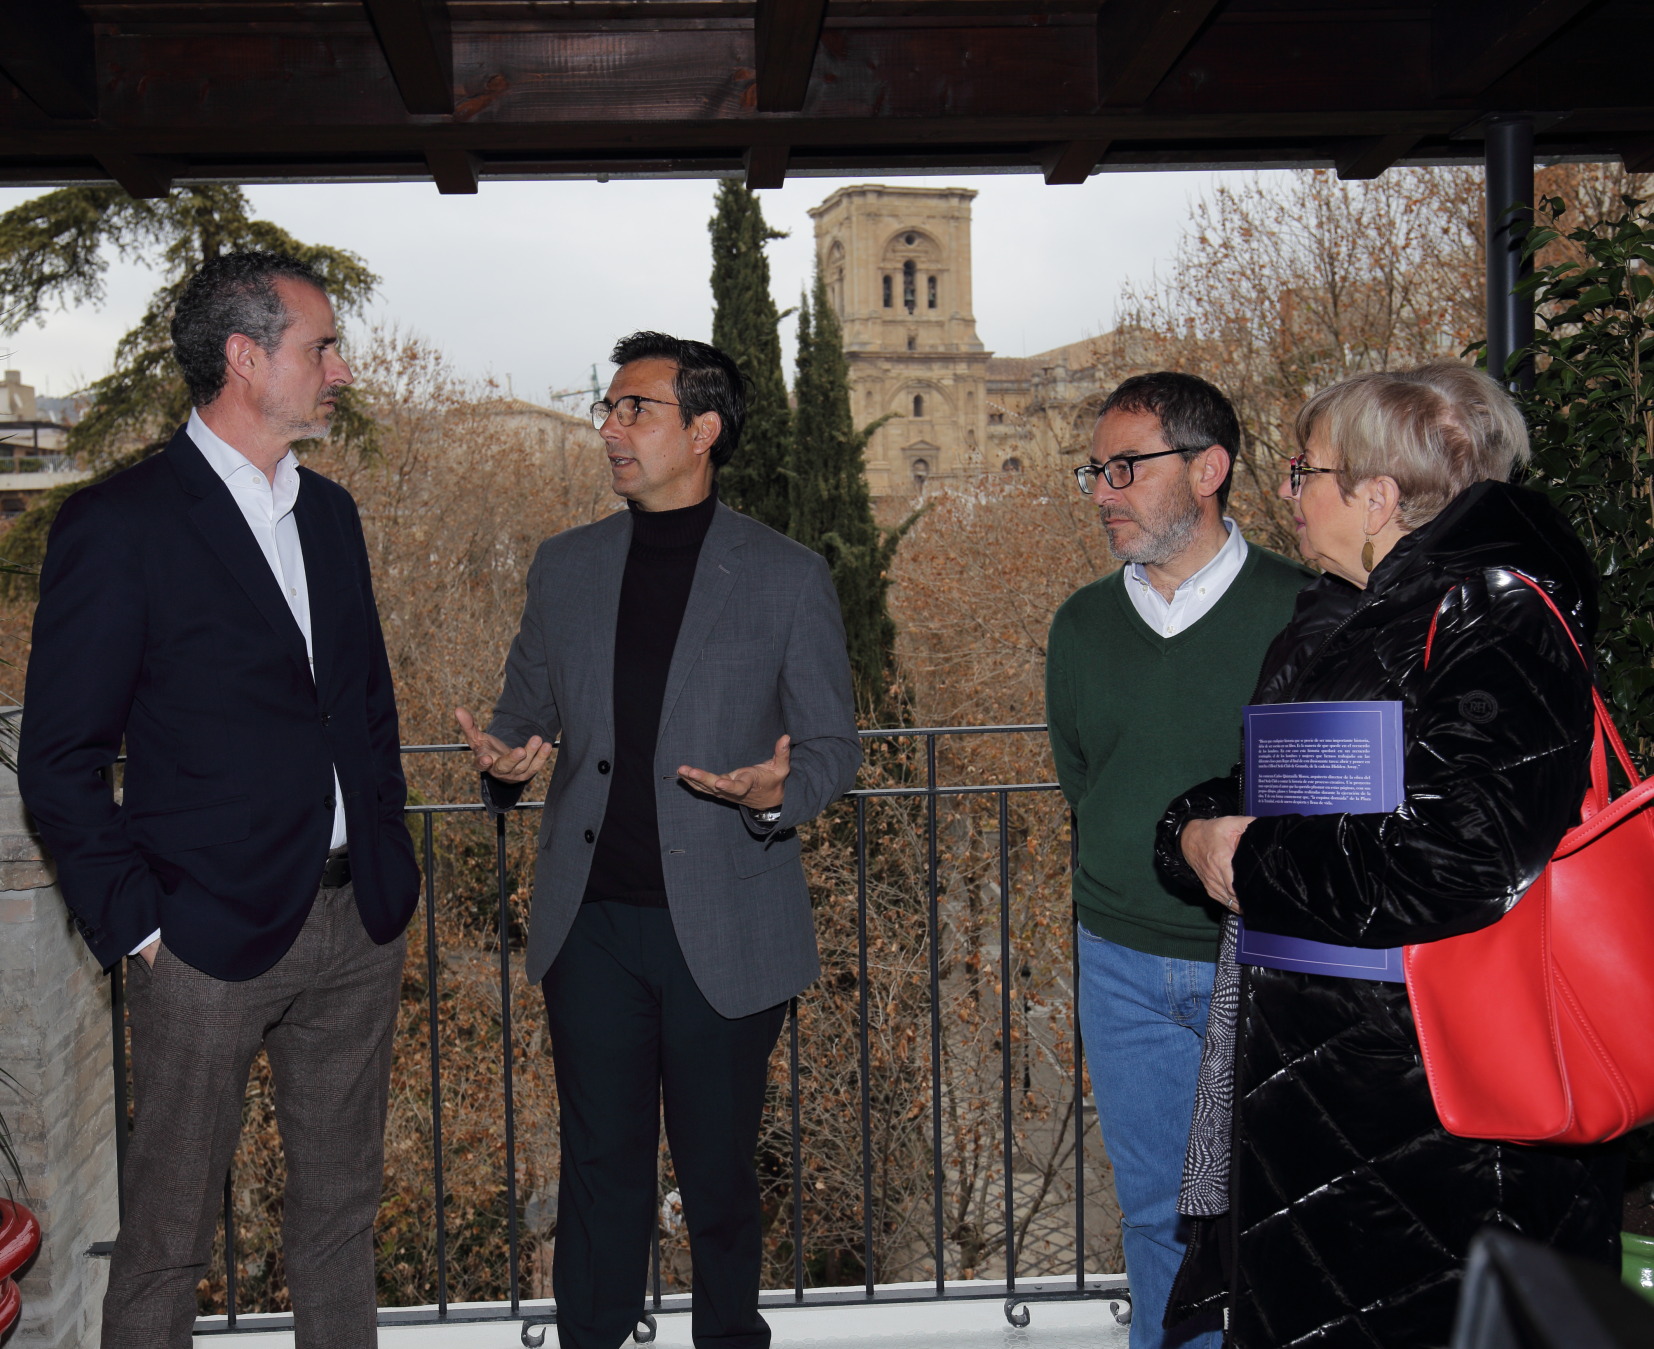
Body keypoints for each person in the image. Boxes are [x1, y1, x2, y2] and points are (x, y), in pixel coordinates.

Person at [1159, 362, 1621, 1347]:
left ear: (1375, 497)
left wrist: (1254, 862)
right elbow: (1279, 795)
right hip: (1334, 1094)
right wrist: (1190, 834)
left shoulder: (1494, 614)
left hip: (1438, 1113)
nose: (1288, 492)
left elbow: (1458, 857)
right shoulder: (1349, 611)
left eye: (1306, 471)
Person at [18, 251, 420, 1348]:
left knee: (339, 1225)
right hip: (199, 941)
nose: (340, 369)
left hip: (358, 923)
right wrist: (143, 928)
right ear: (247, 359)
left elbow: (364, 708)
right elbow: (59, 757)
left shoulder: (330, 516)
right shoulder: (120, 522)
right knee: (165, 1242)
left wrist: (388, 856)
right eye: (321, 347)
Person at [455, 331, 860, 1349]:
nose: (610, 428)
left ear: (704, 429)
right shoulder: (566, 567)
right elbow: (523, 712)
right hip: (588, 925)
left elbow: (830, 749)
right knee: (599, 1173)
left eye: (635, 409)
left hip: (726, 925)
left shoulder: (785, 574)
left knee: (719, 1176)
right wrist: (503, 759)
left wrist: (775, 792)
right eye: (609, 407)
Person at [1044, 372, 1313, 1347]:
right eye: (1095, 469)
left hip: (1269, 964)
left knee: (1286, 1211)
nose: (1102, 489)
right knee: (1158, 1214)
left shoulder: (1305, 609)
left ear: (1208, 468)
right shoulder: (1078, 626)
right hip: (1117, 962)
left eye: (1125, 466)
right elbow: (1086, 778)